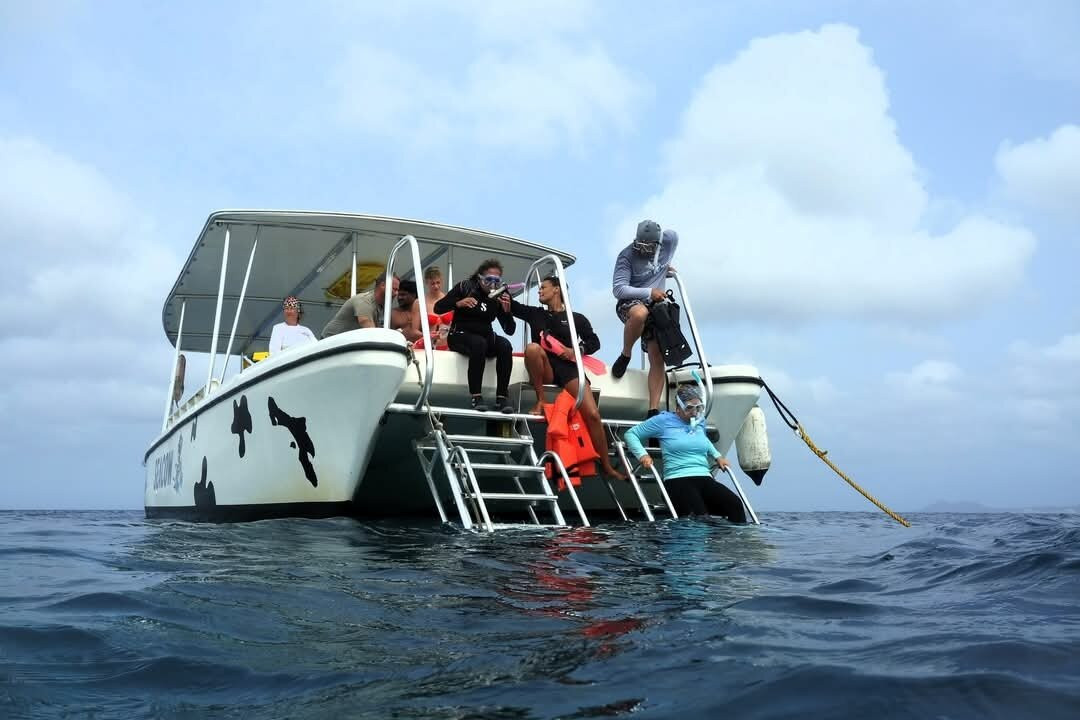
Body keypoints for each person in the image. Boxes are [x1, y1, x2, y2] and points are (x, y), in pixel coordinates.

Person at [509, 275, 626, 480]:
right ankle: (540, 400)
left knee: (593, 414)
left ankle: (607, 466)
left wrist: (576, 350)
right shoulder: (535, 314)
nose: (539, 291)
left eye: (543, 287)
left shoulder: (576, 318)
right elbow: (511, 306)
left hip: (568, 367)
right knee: (532, 348)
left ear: (557, 289)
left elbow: (594, 342)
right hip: (546, 367)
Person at [623, 384, 746, 522]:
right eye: (689, 408)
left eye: (698, 408)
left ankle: (737, 541)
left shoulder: (700, 422)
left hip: (704, 477)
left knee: (735, 506)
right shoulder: (663, 420)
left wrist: (717, 456)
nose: (694, 412)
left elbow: (703, 441)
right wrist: (642, 455)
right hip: (677, 479)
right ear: (678, 408)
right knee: (699, 519)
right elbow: (631, 434)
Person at [611, 219, 679, 418]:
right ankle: (626, 353)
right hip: (632, 302)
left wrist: (665, 269)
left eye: (648, 246)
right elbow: (619, 289)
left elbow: (671, 233)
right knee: (640, 313)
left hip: (657, 305)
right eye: (640, 245)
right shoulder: (626, 256)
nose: (643, 250)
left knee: (657, 355)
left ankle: (653, 409)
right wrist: (649, 292)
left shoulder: (669, 242)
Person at [433, 259, 517, 412]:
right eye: (488, 279)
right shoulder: (465, 287)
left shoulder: (499, 294)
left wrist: (507, 312)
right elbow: (438, 308)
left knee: (505, 345)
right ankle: (476, 396)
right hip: (460, 334)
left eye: (496, 281)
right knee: (479, 343)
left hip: (485, 335)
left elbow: (510, 330)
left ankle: (501, 398)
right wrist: (458, 303)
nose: (492, 284)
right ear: (480, 278)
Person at [321, 272, 399, 339]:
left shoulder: (382, 308)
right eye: (394, 289)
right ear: (382, 285)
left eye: (397, 290)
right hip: (329, 343)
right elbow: (367, 324)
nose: (396, 293)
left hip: (345, 344)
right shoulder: (364, 300)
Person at [412, 266, 452, 349]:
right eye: (432, 283)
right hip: (429, 347)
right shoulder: (419, 303)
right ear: (426, 282)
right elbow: (414, 331)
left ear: (442, 280)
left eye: (438, 282)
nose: (436, 286)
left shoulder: (449, 300)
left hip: (448, 346)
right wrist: (428, 335)